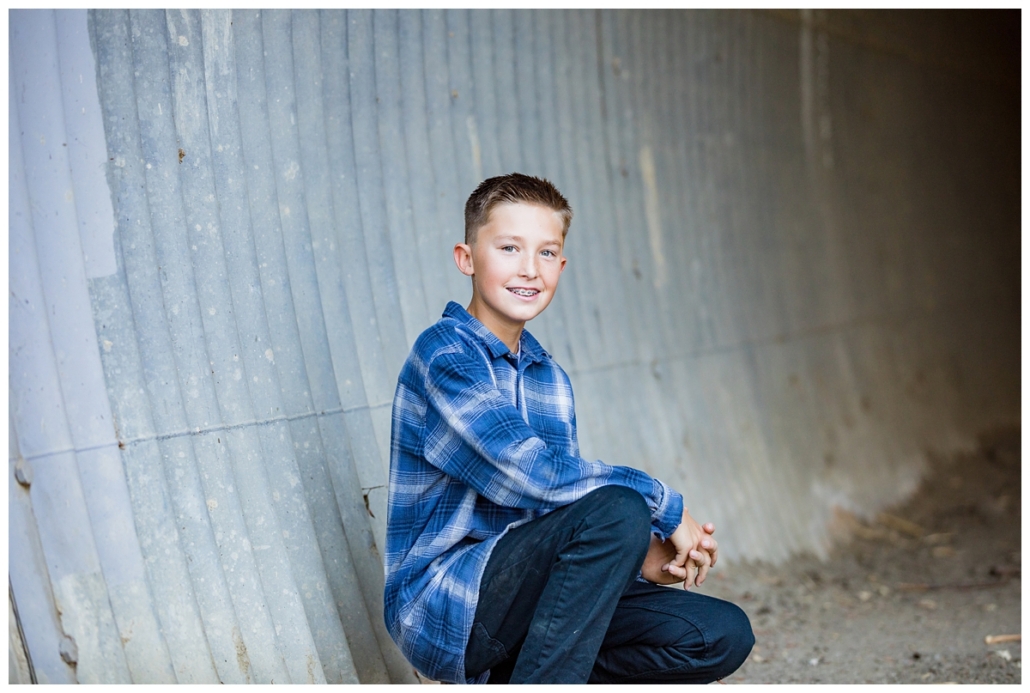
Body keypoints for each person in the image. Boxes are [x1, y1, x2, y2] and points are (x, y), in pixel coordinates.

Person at [384, 173, 754, 684]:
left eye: (546, 253)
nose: (529, 270)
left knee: (718, 633)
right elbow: (527, 473)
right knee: (620, 507)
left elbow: (558, 509)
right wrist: (661, 504)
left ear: (561, 265)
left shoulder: (548, 377)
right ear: (467, 258)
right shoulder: (444, 354)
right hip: (447, 604)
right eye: (509, 248)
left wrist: (640, 555)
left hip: (523, 601)